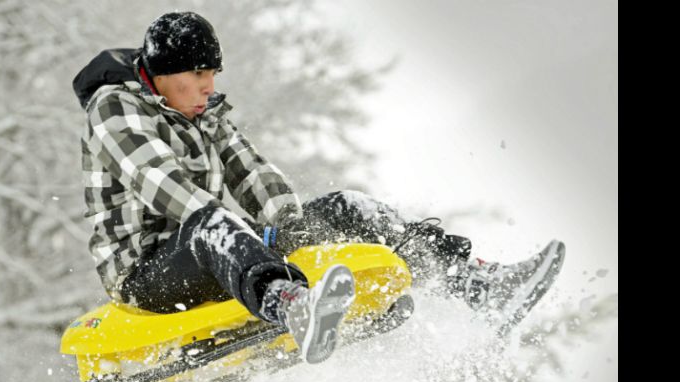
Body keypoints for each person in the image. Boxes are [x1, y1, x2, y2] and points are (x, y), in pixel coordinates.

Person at [72, 12, 565, 363]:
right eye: (198, 74)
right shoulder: (114, 107)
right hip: (144, 274)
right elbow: (164, 186)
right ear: (161, 74)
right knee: (214, 223)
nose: (208, 85)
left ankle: (472, 283)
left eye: (212, 74)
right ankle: (287, 305)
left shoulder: (204, 113)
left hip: (223, 248)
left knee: (347, 206)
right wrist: (250, 240)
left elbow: (256, 177)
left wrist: (294, 230)